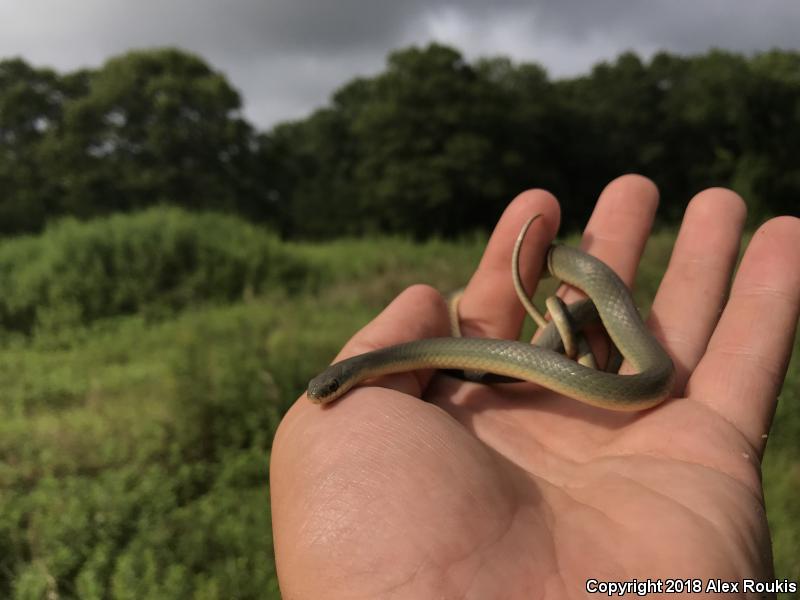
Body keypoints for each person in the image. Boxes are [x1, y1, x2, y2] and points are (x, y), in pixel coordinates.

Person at [270, 175, 800, 599]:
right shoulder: (379, 368)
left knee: (619, 347)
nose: (325, 397)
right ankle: (570, 324)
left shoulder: (646, 376)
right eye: (326, 389)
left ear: (349, 375)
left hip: (627, 367)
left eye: (330, 387)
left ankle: (574, 321)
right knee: (525, 350)